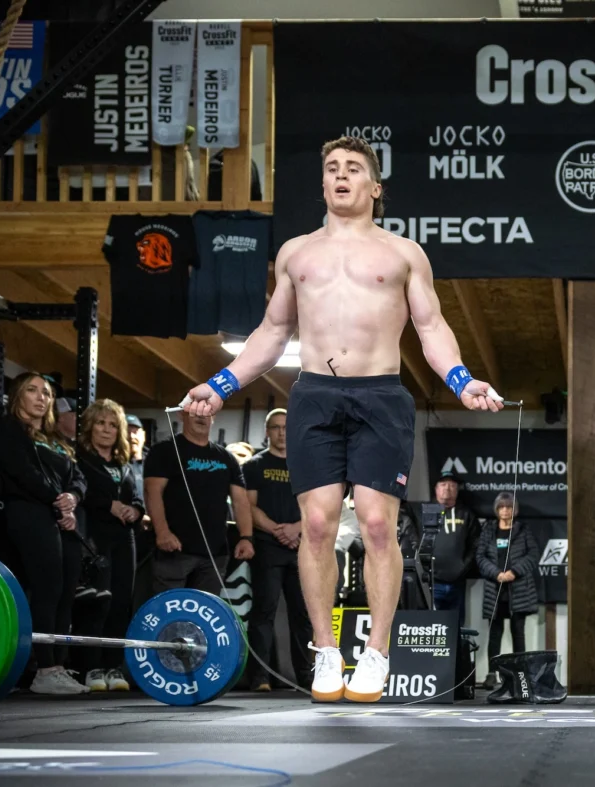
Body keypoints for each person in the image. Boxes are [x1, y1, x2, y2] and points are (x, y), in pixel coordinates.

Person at [178, 135, 504, 703]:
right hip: (315, 396)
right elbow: (272, 331)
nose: (341, 175)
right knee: (318, 524)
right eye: (332, 168)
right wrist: (220, 384)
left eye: (354, 168)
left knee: (377, 525)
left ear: (375, 187)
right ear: (323, 182)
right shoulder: (296, 253)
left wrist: (461, 379)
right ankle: (326, 652)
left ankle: (376, 653)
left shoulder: (404, 253)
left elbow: (431, 328)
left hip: (381, 395)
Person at [0, 372, 88, 694]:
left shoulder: (55, 438)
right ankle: (43, 669)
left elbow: (78, 476)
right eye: (32, 390)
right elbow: (22, 471)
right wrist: (58, 502)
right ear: (18, 395)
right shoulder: (6, 429)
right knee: (45, 590)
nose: (41, 397)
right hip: (27, 514)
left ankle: (56, 666)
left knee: (64, 593)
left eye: (46, 393)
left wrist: (72, 497)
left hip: (60, 517)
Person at [143, 411, 254, 595]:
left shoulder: (226, 458)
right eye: (195, 412)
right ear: (182, 415)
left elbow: (240, 501)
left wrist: (246, 538)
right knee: (169, 609)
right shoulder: (164, 451)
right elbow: (152, 492)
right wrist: (162, 532)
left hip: (215, 554)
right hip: (174, 551)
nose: (201, 417)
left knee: (204, 610)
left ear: (213, 417)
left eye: (207, 412)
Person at [75, 399, 144, 692]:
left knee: (120, 604)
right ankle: (90, 667)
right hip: (94, 539)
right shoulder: (79, 459)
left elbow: (136, 498)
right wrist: (109, 505)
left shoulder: (123, 464)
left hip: (125, 539)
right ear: (90, 426)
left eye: (113, 425)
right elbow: (80, 493)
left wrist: (135, 510)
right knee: (97, 603)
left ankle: (113, 665)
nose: (107, 429)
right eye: (101, 423)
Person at [243, 408, 313, 691]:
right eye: (276, 427)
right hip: (267, 548)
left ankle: (306, 678)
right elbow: (248, 507)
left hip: (302, 547)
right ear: (267, 431)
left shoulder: (307, 466)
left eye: (286, 427)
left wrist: (297, 528)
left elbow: (319, 506)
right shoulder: (253, 465)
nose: (282, 432)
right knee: (263, 612)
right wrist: (277, 530)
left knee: (304, 615)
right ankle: (259, 677)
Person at [476, 491, 539, 688]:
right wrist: (497, 573)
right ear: (496, 509)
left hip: (518, 591)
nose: (505, 511)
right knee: (494, 634)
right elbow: (480, 556)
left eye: (509, 507)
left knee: (518, 633)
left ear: (514, 510)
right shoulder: (488, 530)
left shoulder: (523, 530)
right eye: (501, 507)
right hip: (494, 590)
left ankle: (521, 674)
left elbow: (533, 555)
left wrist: (514, 572)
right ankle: (491, 673)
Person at [430, 470, 480, 627]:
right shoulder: (426, 512)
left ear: (457, 490)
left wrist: (463, 567)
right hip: (431, 582)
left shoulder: (466, 514)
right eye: (443, 484)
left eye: (452, 485)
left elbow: (476, 544)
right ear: (436, 489)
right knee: (431, 627)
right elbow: (415, 540)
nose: (447, 488)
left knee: (456, 628)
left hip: (457, 583)